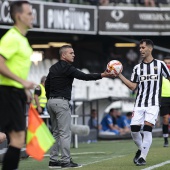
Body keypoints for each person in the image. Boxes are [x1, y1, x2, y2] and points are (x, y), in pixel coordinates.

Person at [45, 45, 115, 169]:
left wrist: (50, 99)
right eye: (71, 53)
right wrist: (103, 75)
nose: (74, 55)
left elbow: (47, 84)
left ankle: (53, 160)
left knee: (55, 133)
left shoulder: (53, 68)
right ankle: (66, 161)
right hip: (61, 102)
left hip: (51, 102)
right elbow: (84, 77)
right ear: (63, 55)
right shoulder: (68, 68)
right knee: (65, 133)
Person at [117, 39, 170, 166]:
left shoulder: (160, 64)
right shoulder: (137, 68)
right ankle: (141, 150)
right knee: (134, 130)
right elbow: (132, 86)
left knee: (147, 128)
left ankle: (142, 158)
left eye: (143, 48)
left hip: (154, 103)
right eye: (140, 48)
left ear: (150, 49)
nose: (140, 50)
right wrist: (119, 75)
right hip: (139, 103)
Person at [0, 1, 35, 170]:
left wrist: (24, 88)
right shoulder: (12, 38)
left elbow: (17, 67)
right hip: (8, 92)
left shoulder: (21, 39)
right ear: (19, 16)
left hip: (15, 91)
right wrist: (22, 83)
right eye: (29, 13)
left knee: (13, 138)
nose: (32, 16)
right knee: (17, 139)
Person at [160, 56, 170, 147]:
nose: (167, 64)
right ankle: (166, 139)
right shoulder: (160, 74)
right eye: (165, 63)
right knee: (165, 119)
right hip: (164, 98)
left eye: (169, 63)